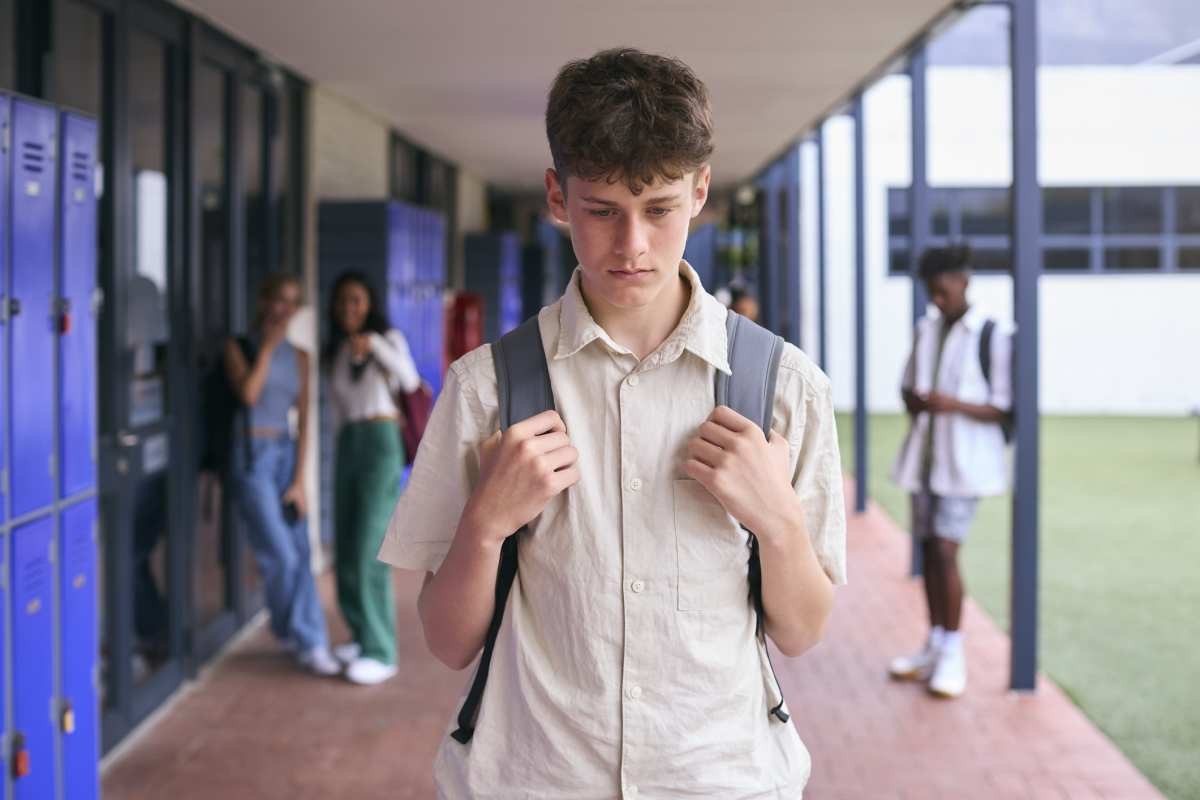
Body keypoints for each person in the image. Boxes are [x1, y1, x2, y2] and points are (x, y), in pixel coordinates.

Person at [377, 48, 847, 797]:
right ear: (559, 198)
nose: (631, 246)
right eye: (602, 211)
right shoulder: (485, 389)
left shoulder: (784, 388)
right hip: (533, 779)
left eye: (659, 209)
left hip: (720, 778)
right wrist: (485, 526)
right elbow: (447, 641)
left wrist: (779, 523)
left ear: (699, 192)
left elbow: (802, 631)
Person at [888, 245, 1013, 698]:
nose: (937, 300)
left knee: (945, 550)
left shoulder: (993, 335)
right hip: (924, 459)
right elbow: (906, 386)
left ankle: (954, 651)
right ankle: (935, 644)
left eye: (943, 291)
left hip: (964, 463)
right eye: (931, 293)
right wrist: (916, 399)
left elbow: (1002, 406)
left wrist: (950, 404)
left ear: (964, 281)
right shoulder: (926, 330)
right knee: (927, 549)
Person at [225, 273, 339, 677]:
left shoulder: (303, 356)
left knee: (301, 553)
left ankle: (294, 632)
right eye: (279, 300)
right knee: (280, 554)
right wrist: (269, 348)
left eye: (292, 302)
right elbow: (249, 395)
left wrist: (299, 481)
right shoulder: (238, 347)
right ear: (264, 301)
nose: (284, 309)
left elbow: (305, 422)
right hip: (251, 455)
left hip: (285, 455)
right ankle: (309, 640)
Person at [325, 272, 421, 685]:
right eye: (343, 301)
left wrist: (377, 346)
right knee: (345, 545)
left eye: (357, 301)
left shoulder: (389, 339)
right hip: (349, 442)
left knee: (369, 546)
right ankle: (360, 634)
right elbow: (340, 404)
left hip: (381, 441)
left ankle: (382, 650)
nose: (350, 308)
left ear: (370, 305)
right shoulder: (338, 351)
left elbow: (411, 380)